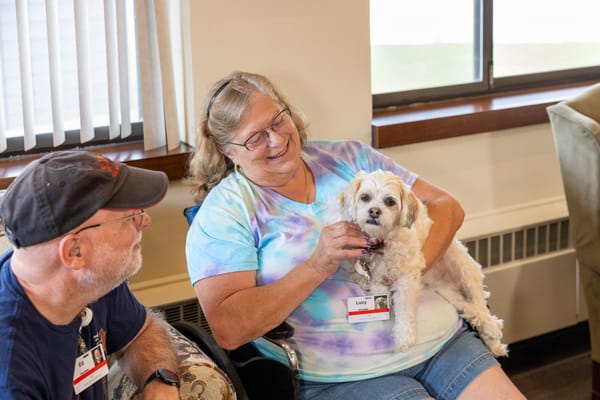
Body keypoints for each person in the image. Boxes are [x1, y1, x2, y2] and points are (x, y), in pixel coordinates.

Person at [185, 71, 526, 400]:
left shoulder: (349, 159)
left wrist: (405, 272)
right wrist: (316, 266)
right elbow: (229, 328)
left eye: (278, 120)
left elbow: (446, 207)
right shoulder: (225, 212)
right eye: (256, 137)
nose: (277, 139)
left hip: (440, 341)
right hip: (346, 373)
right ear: (229, 150)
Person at [0, 151, 180, 399]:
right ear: (75, 252)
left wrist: (159, 382)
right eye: (130, 216)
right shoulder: (12, 376)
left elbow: (141, 332)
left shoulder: (92, 278)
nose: (145, 220)